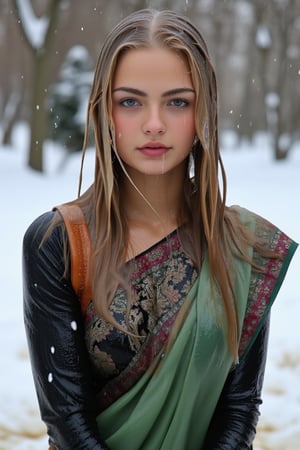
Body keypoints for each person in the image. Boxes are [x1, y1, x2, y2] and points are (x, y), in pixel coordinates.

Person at [22, 8, 298, 450]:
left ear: (202, 110)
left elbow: (239, 411)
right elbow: (67, 420)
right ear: (105, 111)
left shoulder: (243, 248)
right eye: (130, 101)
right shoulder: (61, 242)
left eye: (177, 101)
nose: (154, 123)